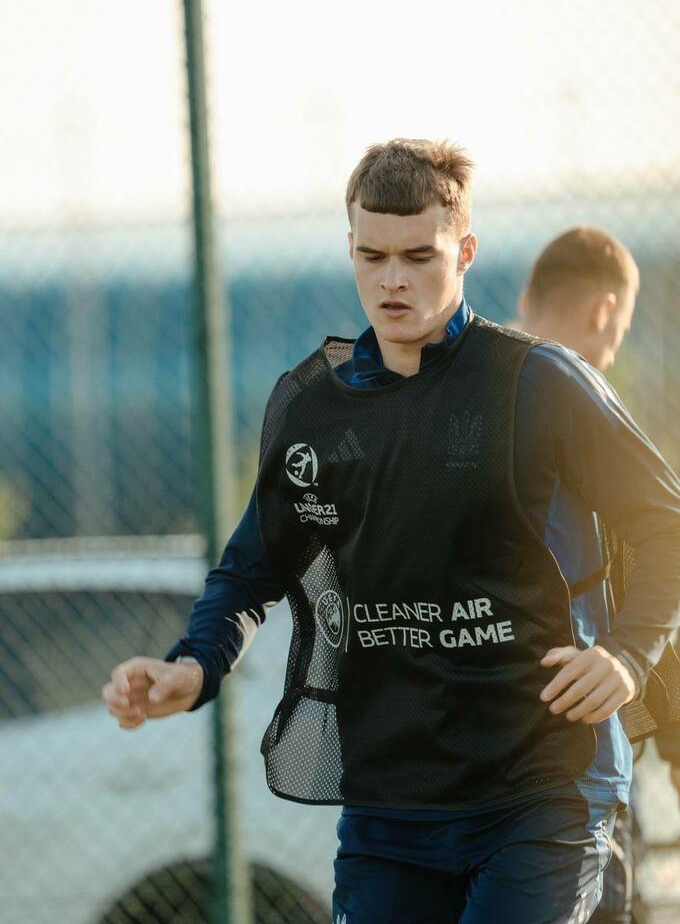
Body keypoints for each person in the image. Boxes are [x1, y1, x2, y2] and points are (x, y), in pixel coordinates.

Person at [102, 139, 680, 923]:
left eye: (419, 256)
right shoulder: (317, 410)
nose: (392, 279)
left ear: (465, 252)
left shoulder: (538, 382)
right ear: (350, 249)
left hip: (543, 788)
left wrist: (628, 651)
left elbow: (665, 522)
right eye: (372, 256)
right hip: (391, 805)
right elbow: (249, 570)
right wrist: (194, 665)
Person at [519, 226, 680, 924]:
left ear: (527, 299)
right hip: (581, 746)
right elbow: (644, 572)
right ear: (605, 310)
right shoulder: (589, 414)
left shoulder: (470, 399)